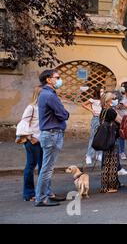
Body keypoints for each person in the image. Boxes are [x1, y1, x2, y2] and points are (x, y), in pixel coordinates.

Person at [35, 70, 70, 207]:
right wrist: (65, 113)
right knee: (47, 168)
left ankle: (48, 194)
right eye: (57, 77)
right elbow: (63, 113)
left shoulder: (46, 93)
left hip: (51, 133)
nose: (59, 80)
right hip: (52, 134)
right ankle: (41, 198)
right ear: (49, 80)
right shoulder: (49, 95)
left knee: (48, 167)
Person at [20, 86, 42, 202]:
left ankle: (41, 191)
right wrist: (30, 137)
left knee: (43, 167)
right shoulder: (31, 107)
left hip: (43, 141)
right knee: (30, 166)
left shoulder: (43, 108)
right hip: (32, 141)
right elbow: (23, 123)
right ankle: (28, 193)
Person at [99, 92, 121, 193]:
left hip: (105, 138)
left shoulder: (103, 110)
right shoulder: (111, 111)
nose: (115, 100)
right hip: (111, 138)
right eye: (113, 98)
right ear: (108, 101)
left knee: (107, 160)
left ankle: (113, 183)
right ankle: (109, 186)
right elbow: (121, 121)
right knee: (111, 162)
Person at [82, 85, 104, 165]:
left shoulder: (104, 100)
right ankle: (88, 155)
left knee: (101, 138)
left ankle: (99, 154)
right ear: (97, 92)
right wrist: (91, 110)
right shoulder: (93, 100)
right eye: (101, 91)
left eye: (103, 91)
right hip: (96, 119)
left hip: (103, 119)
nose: (102, 93)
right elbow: (83, 104)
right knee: (93, 137)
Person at [118, 81, 127, 161]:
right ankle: (122, 152)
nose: (122, 88)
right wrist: (118, 106)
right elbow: (114, 105)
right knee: (122, 135)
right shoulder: (119, 95)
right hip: (121, 118)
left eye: (123, 86)